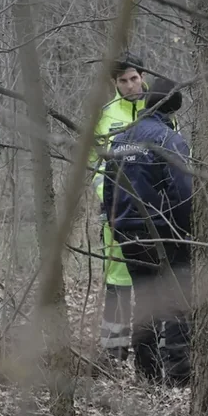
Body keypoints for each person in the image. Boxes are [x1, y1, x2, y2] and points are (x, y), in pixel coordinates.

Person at [101, 77, 193, 385]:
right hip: (165, 234)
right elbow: (183, 193)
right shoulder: (170, 140)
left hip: (128, 233)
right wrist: (187, 233)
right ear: (172, 108)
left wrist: (116, 226)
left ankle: (148, 375)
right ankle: (180, 378)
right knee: (176, 303)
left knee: (144, 302)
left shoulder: (121, 138)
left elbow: (108, 190)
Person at [90, 54, 150, 366]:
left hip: (155, 214)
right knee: (117, 280)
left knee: (152, 282)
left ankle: (147, 350)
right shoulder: (104, 115)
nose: (130, 85)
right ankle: (114, 352)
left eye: (134, 79)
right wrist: (107, 200)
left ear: (143, 77)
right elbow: (95, 164)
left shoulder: (157, 108)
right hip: (116, 212)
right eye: (123, 81)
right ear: (115, 83)